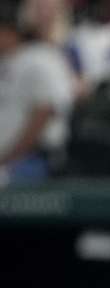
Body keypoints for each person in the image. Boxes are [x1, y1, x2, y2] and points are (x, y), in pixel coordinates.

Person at [0, 0, 74, 185]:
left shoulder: (41, 58)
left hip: (32, 159)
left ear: (9, 32)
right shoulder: (7, 62)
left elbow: (45, 111)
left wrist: (10, 158)